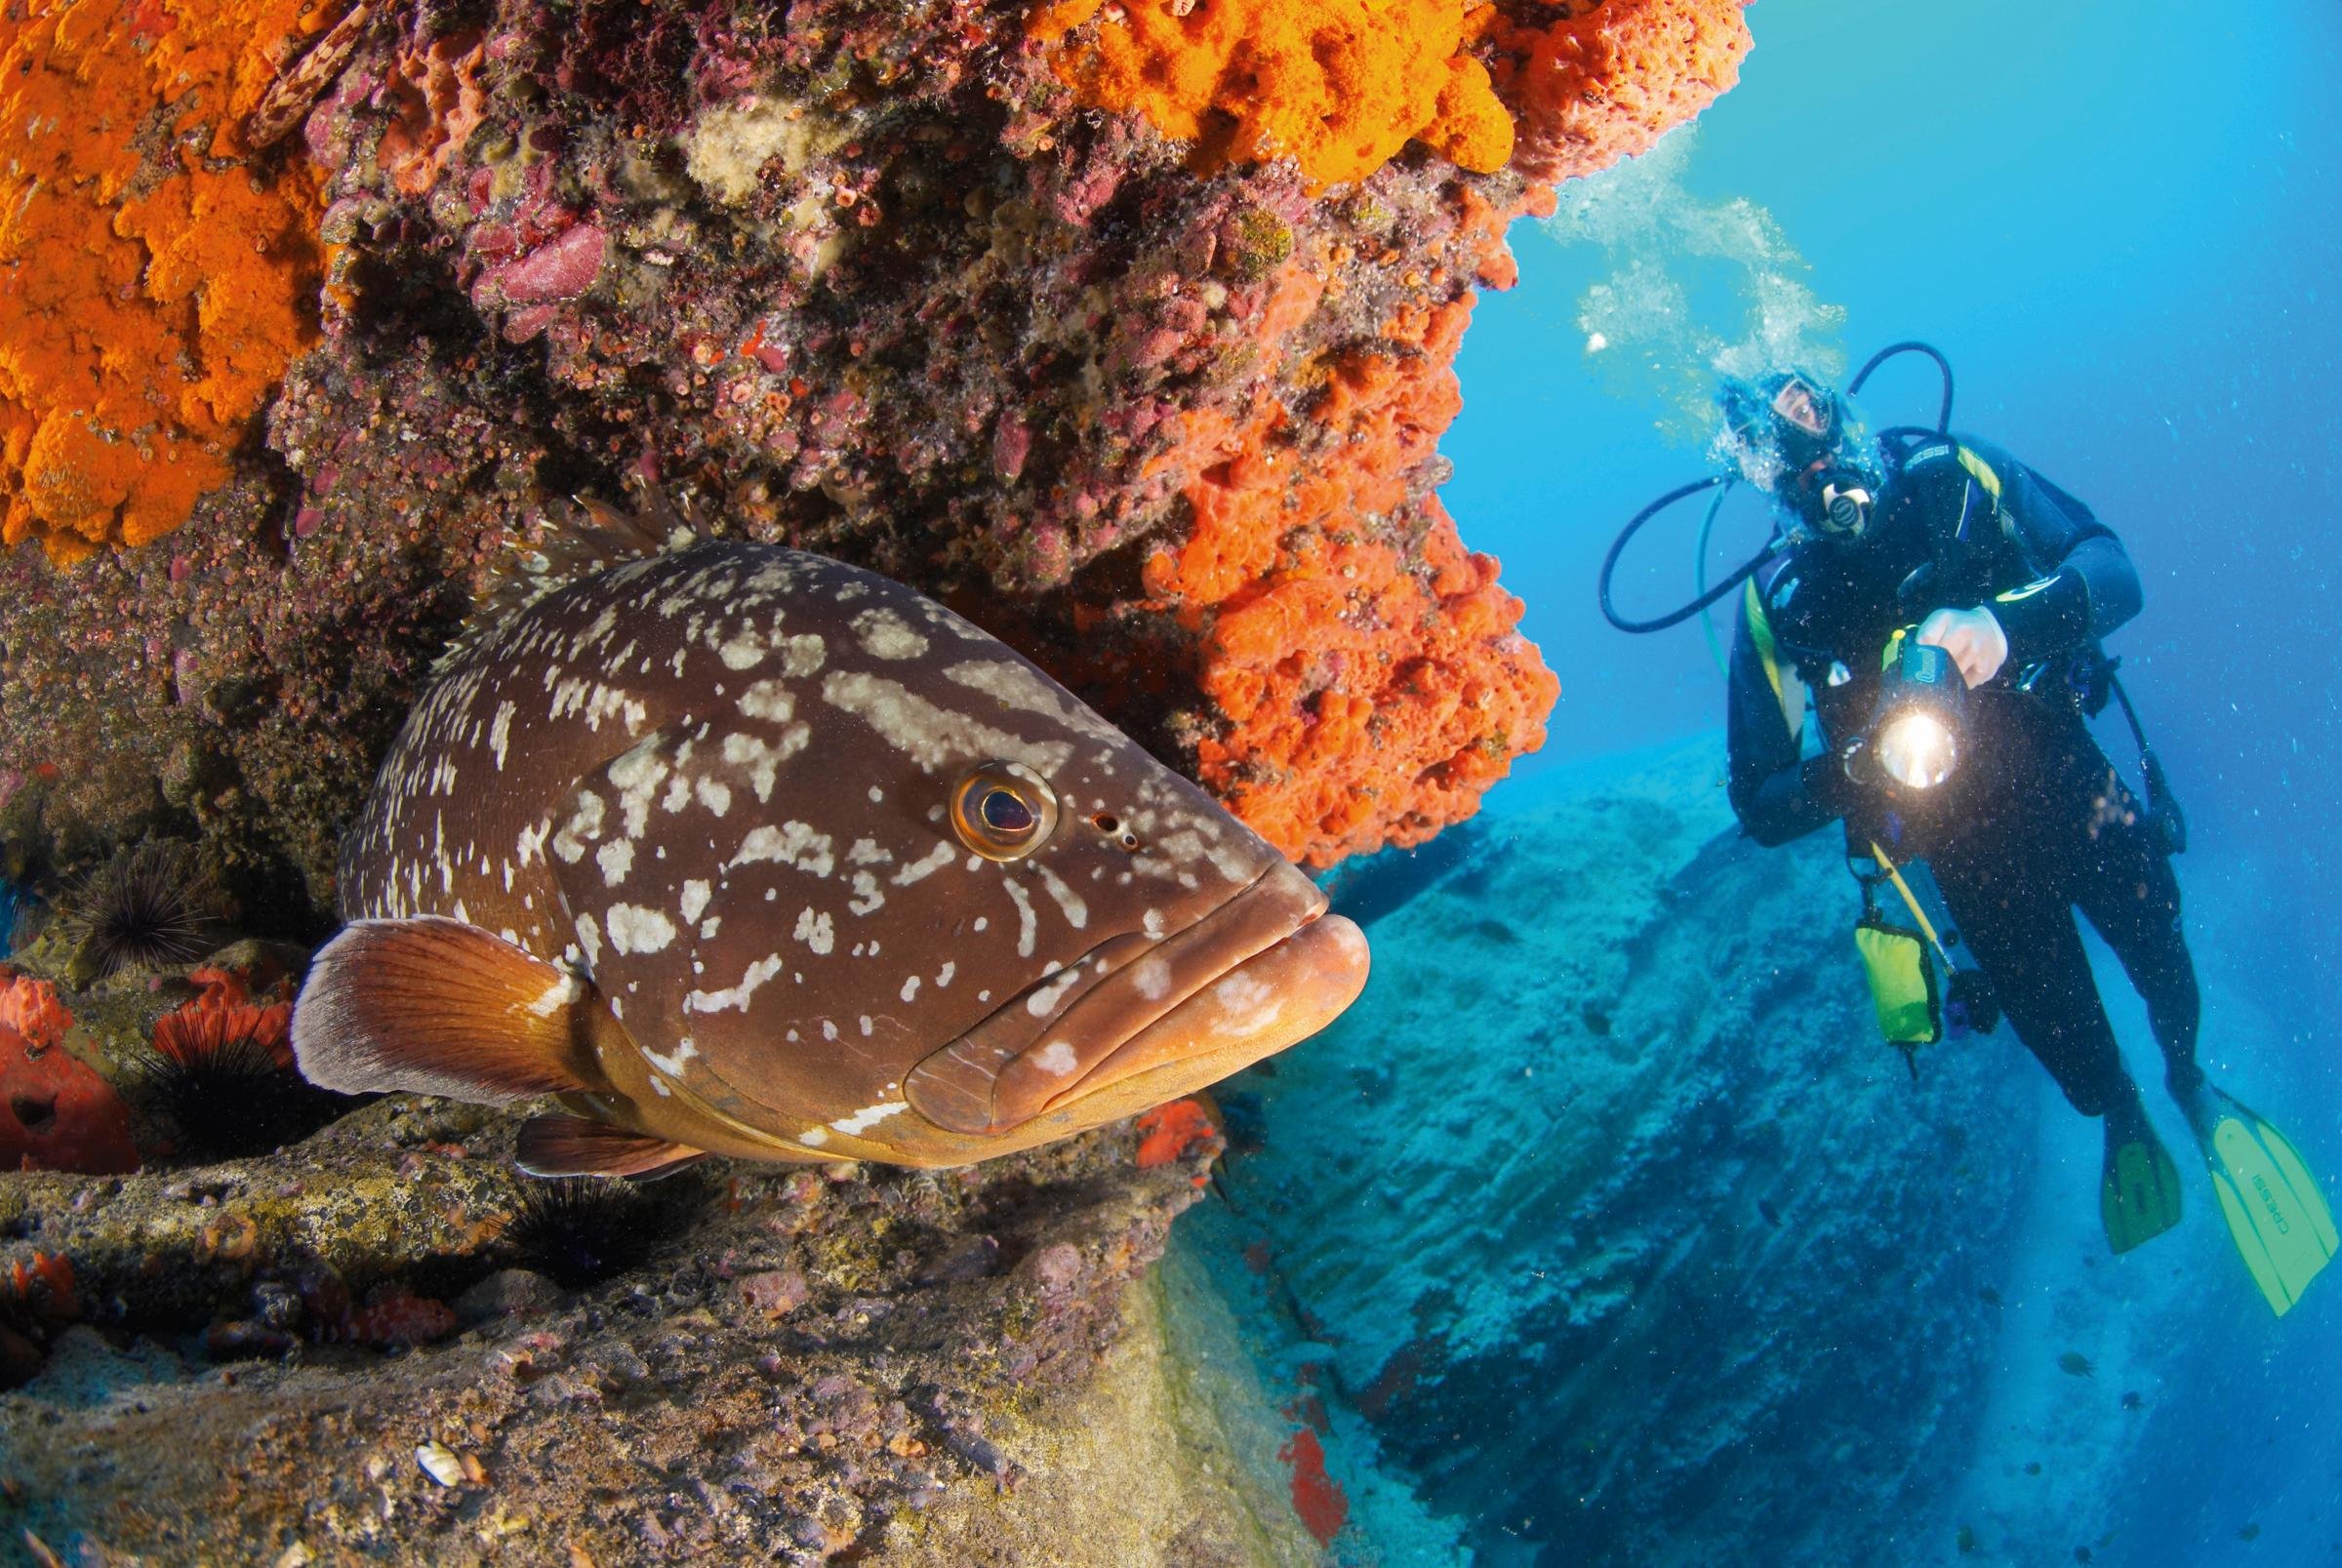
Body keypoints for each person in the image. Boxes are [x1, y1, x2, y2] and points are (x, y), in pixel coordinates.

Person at [1717, 368, 2335, 1315]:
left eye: (1812, 417)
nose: (1818, 467)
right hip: (1961, 849)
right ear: (1756, 477)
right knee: (2066, 1036)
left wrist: (2002, 629)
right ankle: (2124, 1111)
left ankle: (2189, 1078)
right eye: (1781, 456)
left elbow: (2111, 569)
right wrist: (1866, 760)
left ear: (1843, 406)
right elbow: (1759, 803)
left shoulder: (1951, 478)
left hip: (2064, 774)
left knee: (2159, 945)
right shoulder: (1781, 598)